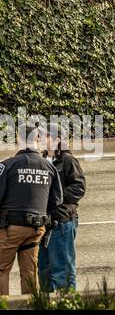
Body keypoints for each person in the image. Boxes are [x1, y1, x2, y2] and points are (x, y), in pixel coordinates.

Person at [0, 122, 62, 297]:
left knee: (1, 270)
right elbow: (56, 200)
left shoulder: (8, 165)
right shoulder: (49, 167)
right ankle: (31, 306)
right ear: (37, 139)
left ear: (18, 139)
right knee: (29, 273)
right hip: (36, 228)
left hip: (11, 228)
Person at [37, 123, 85, 293]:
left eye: (45, 136)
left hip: (62, 222)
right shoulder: (41, 160)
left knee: (62, 272)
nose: (40, 139)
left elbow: (79, 187)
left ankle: (67, 303)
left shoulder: (68, 161)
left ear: (58, 140)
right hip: (44, 222)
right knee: (44, 271)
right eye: (40, 136)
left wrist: (54, 196)